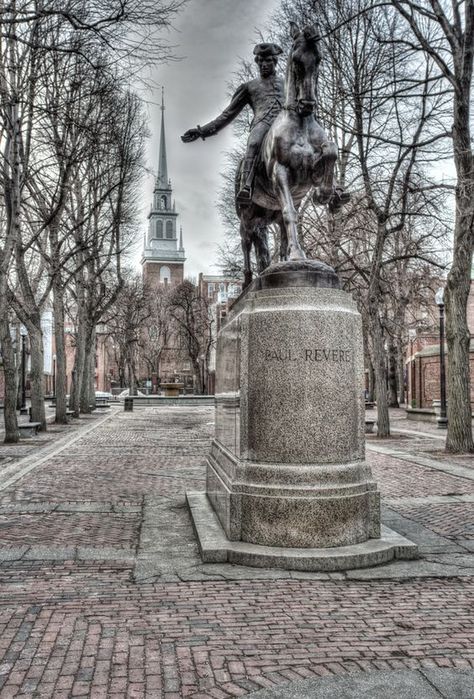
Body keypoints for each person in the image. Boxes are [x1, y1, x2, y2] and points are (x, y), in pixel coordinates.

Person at [181, 43, 284, 204]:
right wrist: (202, 131)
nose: (264, 65)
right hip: (263, 123)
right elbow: (227, 114)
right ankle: (247, 185)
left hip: (285, 124)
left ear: (275, 61)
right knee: (254, 143)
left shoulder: (287, 84)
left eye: (268, 61)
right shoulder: (249, 87)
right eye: (260, 62)